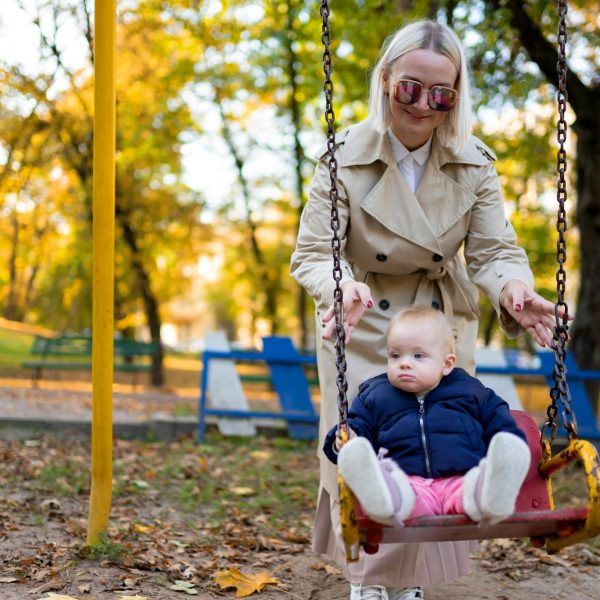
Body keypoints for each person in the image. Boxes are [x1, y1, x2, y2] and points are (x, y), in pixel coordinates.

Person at [289, 18, 561, 600]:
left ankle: (408, 580)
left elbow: (494, 250)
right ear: (386, 80)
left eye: (442, 94)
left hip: (437, 321)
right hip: (363, 317)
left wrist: (514, 289)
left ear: (456, 98)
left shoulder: (472, 163)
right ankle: (369, 579)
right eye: (409, 87)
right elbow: (314, 251)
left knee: (438, 442)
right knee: (370, 446)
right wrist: (340, 282)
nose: (423, 105)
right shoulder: (343, 158)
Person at [324, 305, 530, 542]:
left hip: (461, 478)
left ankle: (492, 493)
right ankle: (383, 499)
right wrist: (347, 439)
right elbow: (358, 425)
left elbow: (499, 422)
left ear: (447, 364)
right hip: (410, 484)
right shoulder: (375, 396)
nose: (404, 363)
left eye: (418, 356)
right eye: (395, 355)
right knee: (402, 496)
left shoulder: (470, 391)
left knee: (472, 494)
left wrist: (509, 447)